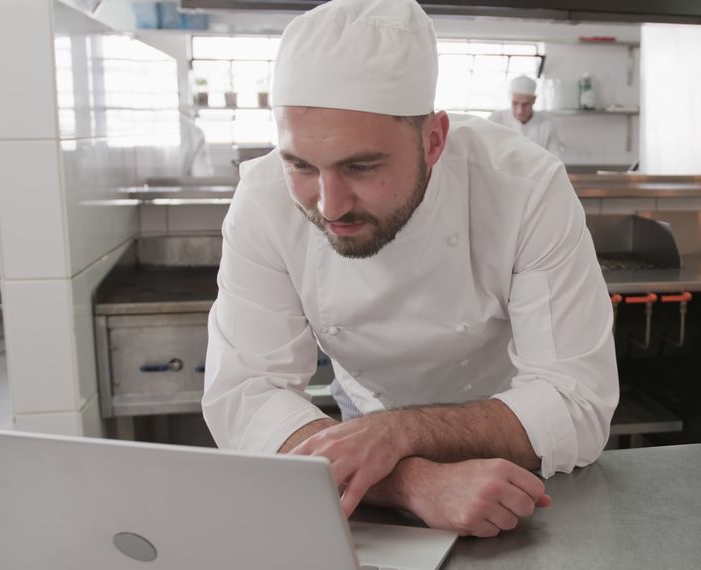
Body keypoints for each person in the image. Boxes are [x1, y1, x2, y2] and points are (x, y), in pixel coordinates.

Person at [202, 0, 618, 539]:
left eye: (361, 167)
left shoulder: (524, 189)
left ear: (434, 140)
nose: (329, 206)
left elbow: (575, 401)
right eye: (301, 165)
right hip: (356, 444)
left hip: (510, 441)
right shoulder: (262, 200)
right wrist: (409, 482)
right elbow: (245, 395)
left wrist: (398, 435)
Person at [488, 75, 566, 156]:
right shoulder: (495, 120)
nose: (520, 110)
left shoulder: (547, 124)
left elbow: (554, 158)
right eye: (515, 103)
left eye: (525, 104)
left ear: (534, 100)